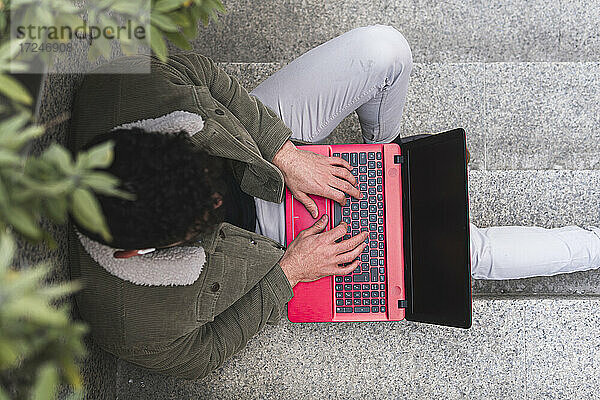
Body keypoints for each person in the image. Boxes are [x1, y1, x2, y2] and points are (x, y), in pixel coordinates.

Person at [68, 24, 600, 380]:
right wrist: (290, 273)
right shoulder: (128, 319)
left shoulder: (115, 90)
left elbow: (199, 74)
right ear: (138, 254)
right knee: (469, 253)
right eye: (203, 213)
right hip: (271, 251)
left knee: (383, 49)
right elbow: (200, 355)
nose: (216, 194)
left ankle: (385, 158)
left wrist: (282, 152)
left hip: (267, 153)